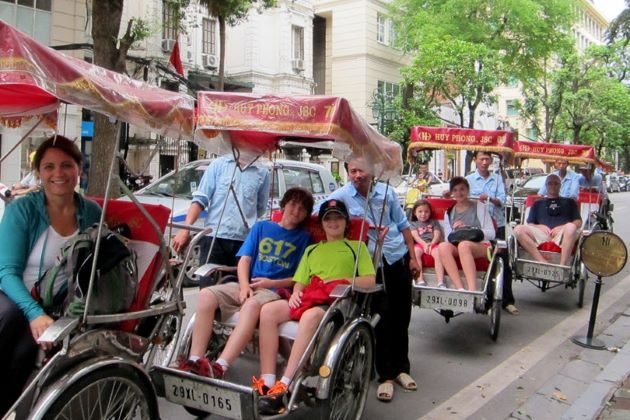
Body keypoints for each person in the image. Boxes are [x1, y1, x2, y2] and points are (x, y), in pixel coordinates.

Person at [0, 136, 102, 415]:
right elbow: (6, 272)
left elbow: (93, 266)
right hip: (13, 295)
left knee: (28, 349)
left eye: (66, 165)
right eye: (49, 167)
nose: (58, 174)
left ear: (79, 169)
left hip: (57, 303)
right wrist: (34, 313)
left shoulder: (91, 212)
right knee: (14, 322)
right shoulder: (23, 210)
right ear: (38, 173)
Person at [174, 188, 314, 378]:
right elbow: (244, 260)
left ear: (306, 214)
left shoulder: (304, 238)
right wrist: (245, 285)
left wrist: (271, 282)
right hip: (246, 283)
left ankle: (221, 366)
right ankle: (195, 360)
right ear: (284, 205)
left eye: (302, 208)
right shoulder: (262, 228)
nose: (296, 211)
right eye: (293, 205)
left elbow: (300, 277)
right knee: (206, 295)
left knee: (251, 306)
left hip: (274, 291)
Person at [255, 199, 376, 414]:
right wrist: (295, 294)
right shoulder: (312, 250)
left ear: (346, 221)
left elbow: (369, 281)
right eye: (328, 218)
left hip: (338, 304)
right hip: (310, 296)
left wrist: (344, 282)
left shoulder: (357, 247)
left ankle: (286, 384)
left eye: (337, 217)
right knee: (268, 311)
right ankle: (267, 380)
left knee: (310, 317)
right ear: (322, 223)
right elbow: (300, 282)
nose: (333, 222)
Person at [321, 155, 420, 403]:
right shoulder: (342, 196)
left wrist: (413, 257)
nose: (357, 175)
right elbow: (320, 215)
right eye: (353, 171)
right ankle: (384, 375)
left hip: (396, 256)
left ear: (372, 171)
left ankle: (401, 369)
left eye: (361, 171)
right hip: (368, 265)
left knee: (402, 315)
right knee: (380, 318)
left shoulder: (386, 193)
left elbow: (404, 225)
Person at [172, 154, 271, 288]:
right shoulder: (219, 165)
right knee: (208, 288)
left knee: (238, 290)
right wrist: (185, 228)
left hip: (243, 241)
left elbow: (260, 208)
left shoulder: (262, 172)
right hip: (214, 238)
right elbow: (200, 200)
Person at [465, 151, 517, 315]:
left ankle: (508, 300)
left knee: (503, 260)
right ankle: (478, 294)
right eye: (481, 159)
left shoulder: (497, 179)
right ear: (475, 160)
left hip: (496, 224)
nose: (485, 162)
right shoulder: (469, 179)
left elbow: (502, 200)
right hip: (476, 225)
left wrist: (490, 198)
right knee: (479, 259)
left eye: (487, 159)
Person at [438, 177, 495, 291]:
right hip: (458, 245)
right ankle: (460, 288)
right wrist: (455, 230)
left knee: (464, 245)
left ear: (468, 190)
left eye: (462, 189)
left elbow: (491, 233)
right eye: (455, 190)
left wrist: (469, 229)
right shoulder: (449, 212)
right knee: (443, 247)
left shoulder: (479, 207)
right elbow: (448, 238)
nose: (459, 193)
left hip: (480, 244)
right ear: (452, 193)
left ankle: (472, 289)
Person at [512, 174, 582, 267]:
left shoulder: (569, 202)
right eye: (550, 183)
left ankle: (562, 266)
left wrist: (563, 227)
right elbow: (530, 223)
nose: (553, 186)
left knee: (571, 227)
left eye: (556, 183)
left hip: (562, 235)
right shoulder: (538, 203)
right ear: (546, 186)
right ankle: (542, 261)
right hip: (542, 235)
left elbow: (578, 222)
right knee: (518, 229)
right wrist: (539, 226)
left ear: (560, 185)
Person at [409, 199, 444, 286]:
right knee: (415, 252)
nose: (423, 214)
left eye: (426, 211)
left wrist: (431, 244)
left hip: (433, 243)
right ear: (414, 213)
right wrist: (424, 244)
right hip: (420, 244)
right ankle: (420, 279)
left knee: (438, 253)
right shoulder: (413, 224)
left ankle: (440, 281)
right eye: (420, 211)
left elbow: (437, 233)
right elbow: (415, 236)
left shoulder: (433, 222)